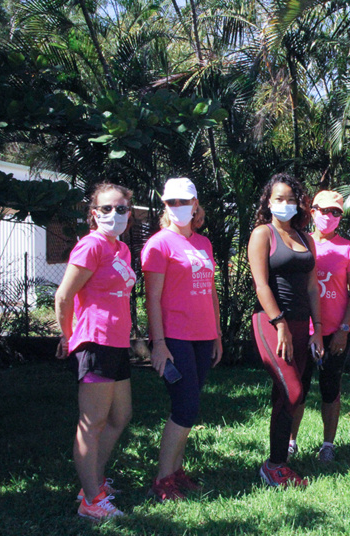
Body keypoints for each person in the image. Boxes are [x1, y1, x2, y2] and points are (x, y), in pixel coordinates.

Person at [55, 183, 136, 521]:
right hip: (95, 342)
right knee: (92, 423)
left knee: (120, 416)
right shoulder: (91, 246)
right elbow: (63, 297)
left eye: (120, 209)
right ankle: (91, 500)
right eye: (106, 209)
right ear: (94, 213)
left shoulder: (122, 250)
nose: (113, 214)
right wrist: (68, 335)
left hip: (117, 342)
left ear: (129, 213)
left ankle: (94, 482)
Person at [142, 177, 223, 501]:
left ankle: (175, 472)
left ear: (195, 204)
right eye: (171, 202)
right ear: (165, 206)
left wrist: (216, 334)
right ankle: (162, 480)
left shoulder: (204, 243)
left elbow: (212, 291)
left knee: (188, 405)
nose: (178, 208)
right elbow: (152, 299)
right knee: (186, 407)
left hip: (203, 337)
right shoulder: (158, 244)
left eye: (184, 202)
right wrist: (158, 344)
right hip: (175, 337)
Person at [248, 173, 324, 487]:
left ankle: (278, 462)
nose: (285, 204)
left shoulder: (306, 237)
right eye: (279, 199)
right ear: (268, 202)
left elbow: (311, 288)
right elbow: (261, 284)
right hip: (271, 323)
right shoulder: (262, 234)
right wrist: (279, 324)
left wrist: (317, 329)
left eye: (291, 199)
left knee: (289, 394)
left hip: (300, 324)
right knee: (291, 391)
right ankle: (274, 465)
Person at [288, 190, 350, 463]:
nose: (328, 217)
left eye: (336, 212)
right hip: (302, 329)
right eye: (323, 210)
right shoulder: (299, 242)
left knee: (330, 389)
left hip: (334, 332)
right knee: (297, 388)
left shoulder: (348, 249)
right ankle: (290, 441)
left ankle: (328, 444)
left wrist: (344, 329)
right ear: (312, 211)